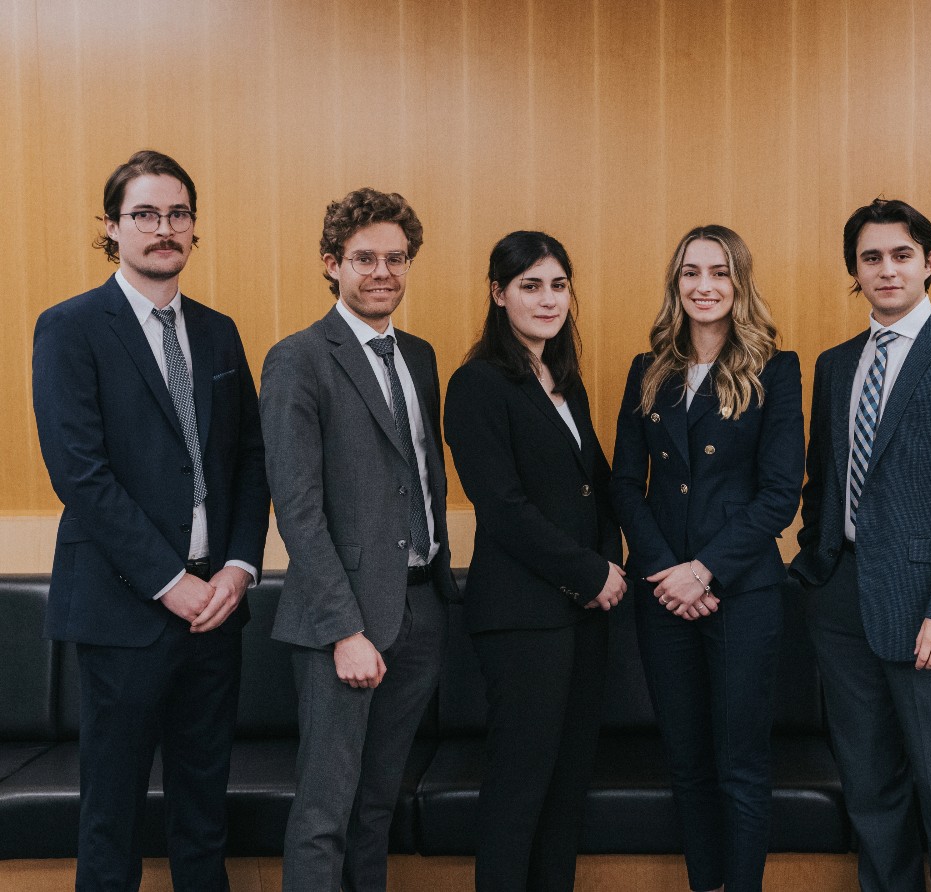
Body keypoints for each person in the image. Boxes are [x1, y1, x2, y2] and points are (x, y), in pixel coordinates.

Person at [32, 149, 270, 891]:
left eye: (177, 214)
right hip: (124, 609)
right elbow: (82, 475)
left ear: (194, 228)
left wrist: (237, 566)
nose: (163, 228)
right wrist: (171, 582)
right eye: (144, 214)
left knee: (204, 815)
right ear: (112, 228)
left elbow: (250, 460)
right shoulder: (70, 328)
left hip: (217, 608)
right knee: (112, 815)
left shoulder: (220, 331)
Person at [791, 199, 931, 892]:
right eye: (870, 258)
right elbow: (824, 480)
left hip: (930, 615)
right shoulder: (835, 365)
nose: (886, 269)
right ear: (854, 272)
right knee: (870, 788)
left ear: (930, 263)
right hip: (841, 602)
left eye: (901, 255)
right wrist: (815, 563)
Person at [260, 188, 457, 892]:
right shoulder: (299, 359)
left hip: (419, 610)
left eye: (396, 258)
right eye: (364, 258)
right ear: (331, 264)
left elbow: (419, 477)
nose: (383, 272)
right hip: (341, 623)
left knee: (377, 806)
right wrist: (345, 629)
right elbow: (298, 509)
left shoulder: (421, 356)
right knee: (325, 810)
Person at [611, 225, 804, 892]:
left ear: (738, 283)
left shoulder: (777, 369)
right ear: (676, 285)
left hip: (742, 592)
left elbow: (781, 494)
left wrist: (706, 570)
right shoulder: (649, 370)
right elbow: (623, 486)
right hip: (664, 593)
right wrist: (669, 572)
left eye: (719, 273)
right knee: (687, 763)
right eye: (691, 273)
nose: (704, 286)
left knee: (741, 765)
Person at [444, 231, 625, 892]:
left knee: (566, 789)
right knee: (520, 792)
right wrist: (590, 575)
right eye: (529, 285)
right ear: (498, 293)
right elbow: (504, 509)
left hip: (584, 617)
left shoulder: (564, 381)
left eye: (557, 285)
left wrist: (609, 568)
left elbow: (599, 490)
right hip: (522, 621)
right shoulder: (477, 384)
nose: (547, 300)